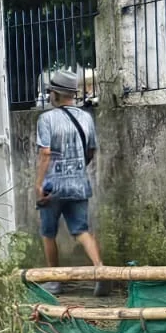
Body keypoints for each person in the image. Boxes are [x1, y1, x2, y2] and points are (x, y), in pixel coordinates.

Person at [33, 68, 108, 296]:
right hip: (78, 183)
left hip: (52, 186)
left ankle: (55, 282)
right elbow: (91, 150)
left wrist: (38, 184)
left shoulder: (46, 119)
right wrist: (77, 169)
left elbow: (45, 153)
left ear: (55, 93)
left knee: (48, 233)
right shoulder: (86, 117)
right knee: (82, 230)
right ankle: (101, 272)